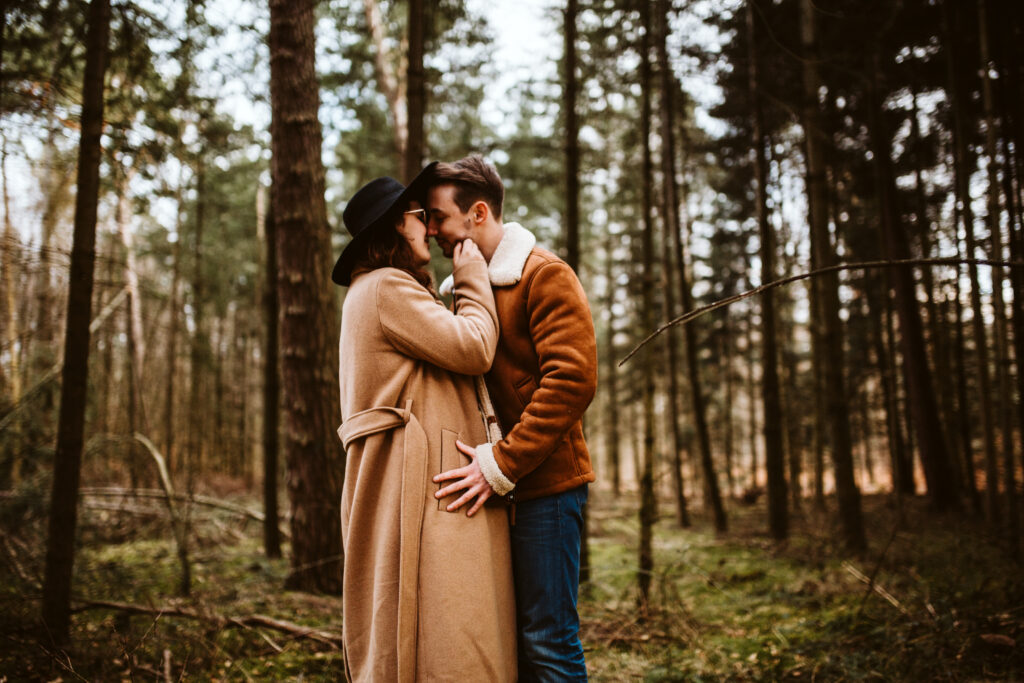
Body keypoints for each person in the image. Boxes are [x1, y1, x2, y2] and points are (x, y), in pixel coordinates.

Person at [332, 166, 516, 682]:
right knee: (448, 631)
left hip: (409, 477)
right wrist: (473, 280)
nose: (429, 229)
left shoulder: (372, 292)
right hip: (420, 483)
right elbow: (475, 346)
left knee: (439, 625)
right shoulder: (386, 287)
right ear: (396, 226)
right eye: (419, 217)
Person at [428, 155, 598, 682]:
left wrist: (499, 463)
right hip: (493, 494)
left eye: (439, 217)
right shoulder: (458, 291)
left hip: (545, 490)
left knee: (547, 643)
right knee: (507, 645)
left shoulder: (542, 275)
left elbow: (572, 380)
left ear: (478, 213)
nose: (431, 229)